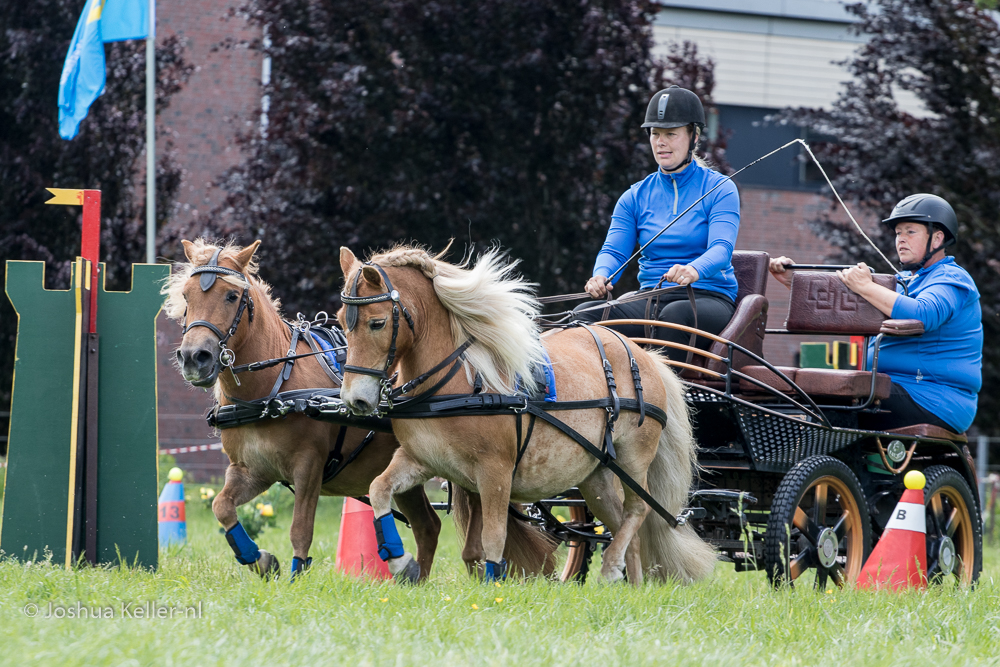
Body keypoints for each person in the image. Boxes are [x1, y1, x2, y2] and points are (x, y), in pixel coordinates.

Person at [768, 194, 982, 433]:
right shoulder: (902, 282)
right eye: (898, 233)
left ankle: (832, 468)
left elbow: (923, 315)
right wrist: (794, 282)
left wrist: (865, 286)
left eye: (910, 232)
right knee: (803, 394)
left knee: (838, 400)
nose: (900, 239)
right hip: (891, 388)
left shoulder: (951, 278)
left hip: (934, 397)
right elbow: (846, 305)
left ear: (937, 239)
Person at [573, 86, 740, 362]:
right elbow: (614, 251)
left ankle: (660, 404)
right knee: (582, 315)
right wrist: (601, 275)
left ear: (694, 137)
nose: (661, 142)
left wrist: (694, 269)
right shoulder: (634, 196)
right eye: (655, 134)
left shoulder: (721, 189)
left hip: (708, 297)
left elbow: (721, 249)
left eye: (671, 134)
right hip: (652, 297)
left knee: (672, 318)